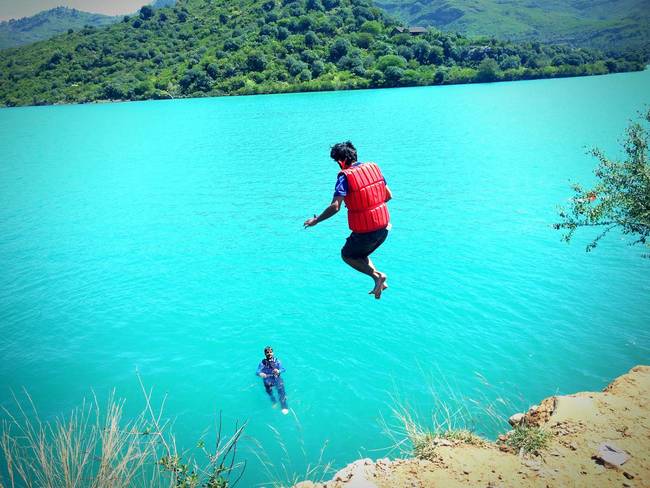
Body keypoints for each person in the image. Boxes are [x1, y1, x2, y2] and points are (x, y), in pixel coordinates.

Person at [304, 141, 392, 299]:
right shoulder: (374, 169)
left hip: (367, 232)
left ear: (340, 161)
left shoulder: (344, 177)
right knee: (359, 253)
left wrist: (316, 220)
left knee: (348, 255)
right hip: (384, 229)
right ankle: (378, 280)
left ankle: (378, 276)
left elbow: (335, 207)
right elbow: (388, 196)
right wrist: (371, 206)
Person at [256, 346, 289, 414]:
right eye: (267, 352)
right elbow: (257, 372)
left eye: (270, 352)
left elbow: (283, 369)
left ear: (273, 353)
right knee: (269, 392)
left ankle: (284, 406)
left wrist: (279, 371)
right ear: (265, 354)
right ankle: (274, 401)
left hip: (277, 378)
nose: (269, 354)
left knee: (281, 391)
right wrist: (260, 374)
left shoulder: (277, 361)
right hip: (267, 379)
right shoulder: (262, 363)